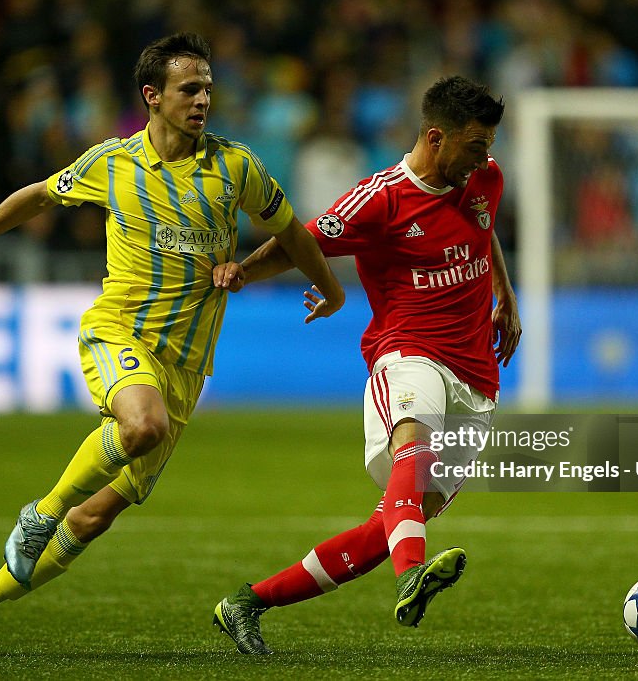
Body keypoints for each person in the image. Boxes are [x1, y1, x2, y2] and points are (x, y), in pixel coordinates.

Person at [0, 32, 345, 657]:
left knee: (93, 520)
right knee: (139, 426)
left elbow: (291, 232)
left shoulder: (237, 168)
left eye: (207, 87)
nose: (203, 99)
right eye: (189, 89)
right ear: (152, 96)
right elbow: (38, 195)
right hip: (120, 330)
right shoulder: (111, 163)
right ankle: (39, 514)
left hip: (187, 369)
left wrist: (320, 287)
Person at [209, 75, 521, 654]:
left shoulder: (484, 178)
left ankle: (246, 604)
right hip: (409, 353)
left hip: (478, 377)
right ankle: (412, 578)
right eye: (476, 144)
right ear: (436, 137)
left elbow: (485, 227)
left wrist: (506, 293)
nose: (486, 157)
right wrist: (241, 274)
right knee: (414, 445)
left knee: (388, 529)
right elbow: (299, 242)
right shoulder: (380, 199)